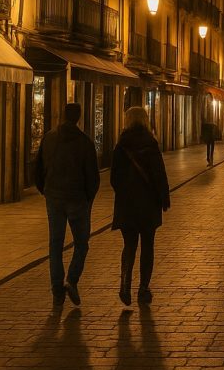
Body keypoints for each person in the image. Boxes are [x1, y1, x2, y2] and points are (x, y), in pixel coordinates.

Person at [34, 102, 100, 307]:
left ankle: (57, 291)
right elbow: (93, 177)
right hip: (78, 199)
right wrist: (88, 198)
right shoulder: (85, 142)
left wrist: (45, 190)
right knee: (82, 243)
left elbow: (36, 169)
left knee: (55, 245)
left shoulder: (49, 138)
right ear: (79, 117)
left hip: (54, 198)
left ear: (63, 115)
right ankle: (71, 280)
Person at [111, 107, 171, 306]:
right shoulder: (150, 143)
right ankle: (143, 289)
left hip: (127, 205)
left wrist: (125, 192)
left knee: (129, 245)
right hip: (148, 205)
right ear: (145, 120)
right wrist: (164, 199)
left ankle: (125, 286)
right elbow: (159, 174)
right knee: (147, 246)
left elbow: (113, 179)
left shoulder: (121, 145)